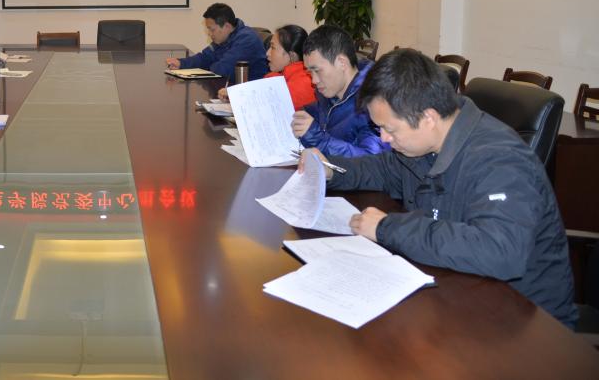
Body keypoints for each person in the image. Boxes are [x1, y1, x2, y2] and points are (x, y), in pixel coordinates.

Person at [301, 49, 576, 328]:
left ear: (428, 118)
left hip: (527, 323)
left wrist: (386, 228)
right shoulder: (425, 144)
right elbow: (383, 169)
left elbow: (499, 251)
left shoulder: (501, 160)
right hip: (460, 289)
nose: (384, 138)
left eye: (390, 129)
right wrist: (331, 169)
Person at [291, 25, 388, 158]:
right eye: (310, 73)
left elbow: (371, 160)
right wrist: (296, 116)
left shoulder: (374, 101)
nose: (314, 80)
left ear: (342, 63)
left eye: (317, 71)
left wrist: (317, 138)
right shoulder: (330, 92)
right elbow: (320, 113)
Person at [218, 24, 316, 110]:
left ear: (292, 56)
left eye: (273, 48)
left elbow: (263, 106)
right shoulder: (280, 76)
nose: (267, 53)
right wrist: (234, 95)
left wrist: (236, 96)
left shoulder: (304, 85)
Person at [165, 3, 268, 82]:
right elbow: (205, 57)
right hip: (229, 88)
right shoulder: (224, 37)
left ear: (227, 26)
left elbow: (223, 70)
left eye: (212, 29)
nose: (210, 34)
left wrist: (209, 65)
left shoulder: (246, 39)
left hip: (250, 95)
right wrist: (181, 63)